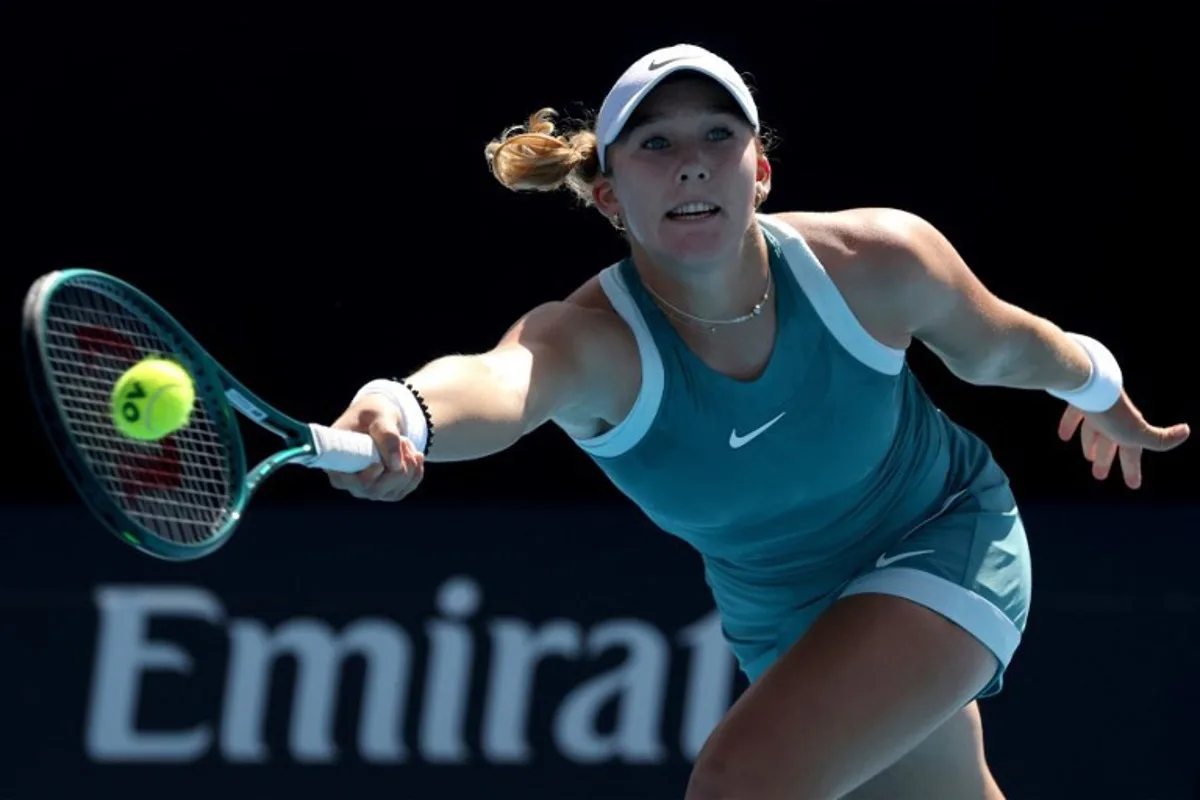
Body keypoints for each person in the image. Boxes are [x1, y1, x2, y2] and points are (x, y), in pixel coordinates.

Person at [326, 44, 1189, 799]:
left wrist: (1097, 381)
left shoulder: (875, 263)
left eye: (717, 135)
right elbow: (496, 385)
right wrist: (401, 409)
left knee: (743, 786)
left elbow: (1002, 350)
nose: (691, 164)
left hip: (943, 536)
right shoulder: (592, 343)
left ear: (760, 172)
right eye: (655, 145)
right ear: (607, 198)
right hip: (783, 614)